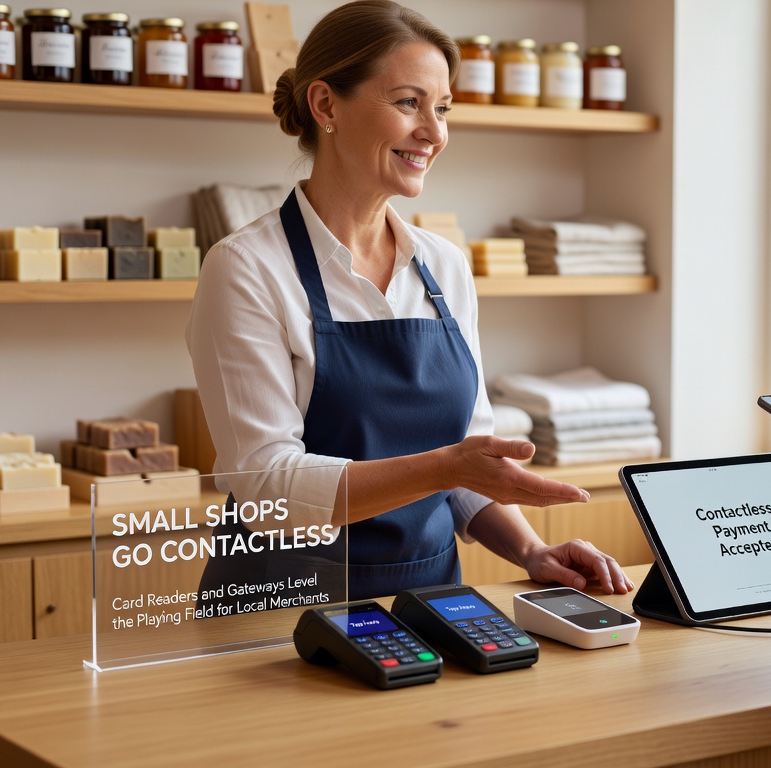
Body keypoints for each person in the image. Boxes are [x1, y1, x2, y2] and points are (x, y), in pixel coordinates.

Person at [186, 0, 633, 608]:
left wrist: (530, 551)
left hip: (429, 607)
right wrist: (447, 467)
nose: (435, 131)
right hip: (281, 618)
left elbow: (470, 462)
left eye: (442, 108)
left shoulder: (444, 267)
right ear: (325, 106)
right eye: (407, 103)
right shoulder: (246, 268)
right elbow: (269, 490)